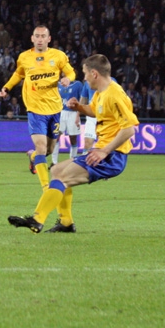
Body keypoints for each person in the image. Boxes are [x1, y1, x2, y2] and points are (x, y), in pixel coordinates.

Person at [8, 54, 138, 233]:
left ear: (94, 73)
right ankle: (66, 222)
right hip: (104, 152)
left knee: (61, 178)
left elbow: (129, 129)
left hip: (111, 156)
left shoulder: (114, 94)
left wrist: (104, 151)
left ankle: (37, 219)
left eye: (84, 73)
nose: (83, 78)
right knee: (56, 170)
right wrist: (79, 108)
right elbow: (95, 111)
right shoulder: (102, 92)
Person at [0, 25, 74, 189]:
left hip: (54, 108)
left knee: (48, 149)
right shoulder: (24, 57)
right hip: (35, 109)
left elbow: (71, 72)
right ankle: (46, 186)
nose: (40, 39)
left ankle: (33, 157)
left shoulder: (58, 56)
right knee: (41, 146)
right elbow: (18, 74)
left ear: (49, 39)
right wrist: (7, 87)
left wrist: (68, 79)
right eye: (37, 36)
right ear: (32, 38)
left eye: (43, 36)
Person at [53, 76, 86, 163]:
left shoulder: (77, 84)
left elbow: (82, 99)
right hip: (60, 112)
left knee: (73, 137)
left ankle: (73, 160)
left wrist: (78, 114)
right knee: (56, 136)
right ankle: (54, 162)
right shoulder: (57, 84)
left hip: (73, 113)